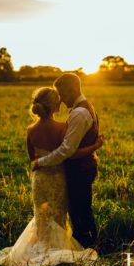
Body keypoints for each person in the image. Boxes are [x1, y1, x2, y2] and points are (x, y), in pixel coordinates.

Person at [0, 87, 103, 266]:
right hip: (57, 179)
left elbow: (32, 158)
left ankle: (40, 250)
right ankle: (56, 253)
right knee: (58, 216)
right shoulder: (62, 128)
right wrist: (95, 146)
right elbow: (70, 154)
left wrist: (40, 164)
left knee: (41, 218)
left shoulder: (30, 130)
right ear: (54, 106)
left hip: (40, 179)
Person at [33, 73, 100, 248]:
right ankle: (87, 247)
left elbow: (66, 151)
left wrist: (41, 162)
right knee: (81, 211)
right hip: (83, 168)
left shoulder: (79, 113)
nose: (60, 101)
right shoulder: (84, 107)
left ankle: (87, 249)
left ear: (72, 90)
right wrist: (93, 148)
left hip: (80, 170)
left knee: (80, 213)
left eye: (62, 95)